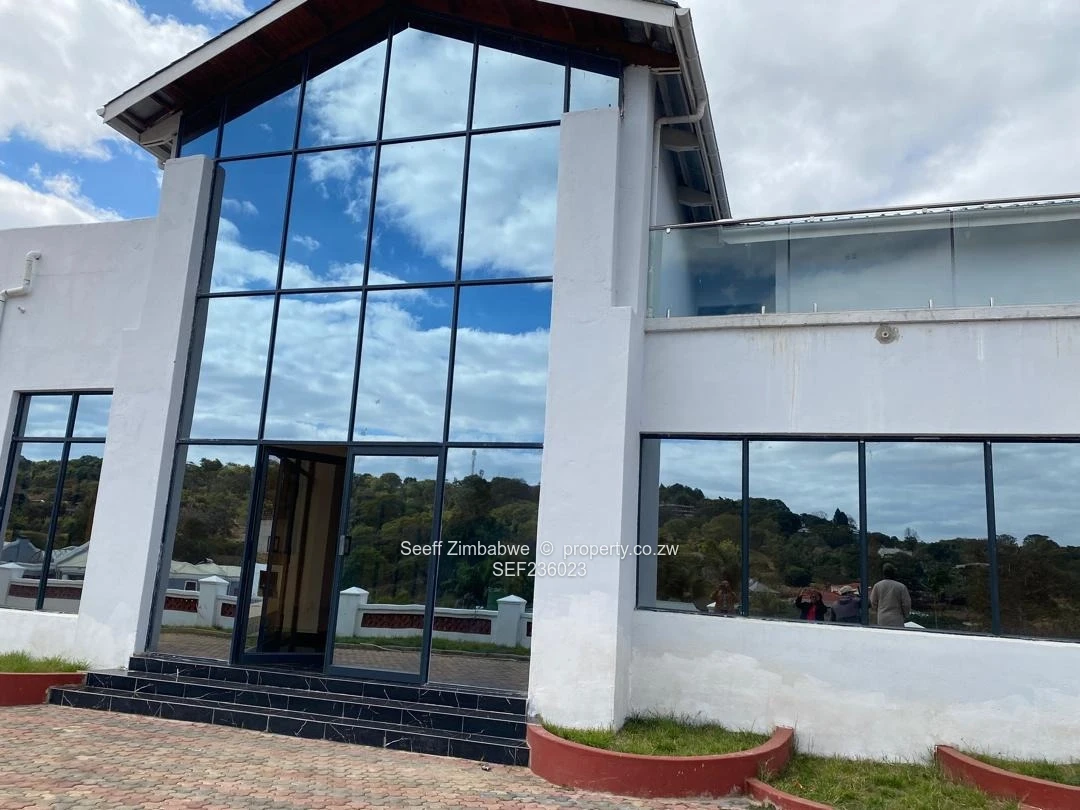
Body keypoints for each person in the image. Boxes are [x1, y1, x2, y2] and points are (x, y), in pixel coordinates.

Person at [870, 563, 911, 627]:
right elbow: (906, 604)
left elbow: (873, 601)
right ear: (894, 573)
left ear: (883, 573)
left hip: (882, 618)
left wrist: (878, 611)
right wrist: (905, 615)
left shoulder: (877, 586)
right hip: (897, 618)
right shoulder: (901, 587)